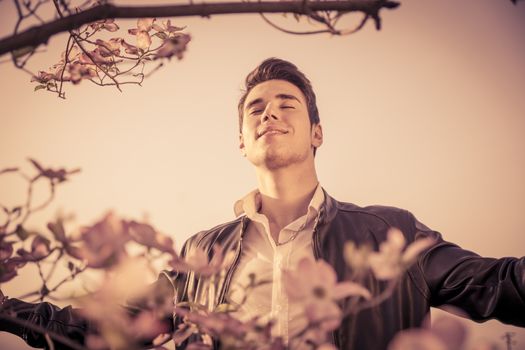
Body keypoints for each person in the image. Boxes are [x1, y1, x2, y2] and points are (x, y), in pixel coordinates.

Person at [1, 58, 524, 350]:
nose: (268, 112)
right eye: (255, 107)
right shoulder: (200, 255)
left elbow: (495, 284)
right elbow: (108, 329)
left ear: (317, 132)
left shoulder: (391, 233)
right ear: (242, 141)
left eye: (286, 103)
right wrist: (7, 311)